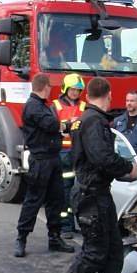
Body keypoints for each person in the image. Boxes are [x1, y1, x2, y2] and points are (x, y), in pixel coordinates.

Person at [49, 77, 137, 273]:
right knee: (94, 254)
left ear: (87, 94)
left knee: (112, 252)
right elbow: (103, 158)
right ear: (108, 95)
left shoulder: (86, 120)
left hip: (97, 194)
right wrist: (129, 168)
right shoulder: (94, 122)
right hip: (91, 196)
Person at [14, 73, 74, 258]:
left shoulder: (43, 105)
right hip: (40, 161)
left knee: (56, 199)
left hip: (52, 158)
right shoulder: (33, 106)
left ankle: (54, 238)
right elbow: (50, 124)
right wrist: (67, 125)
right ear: (45, 87)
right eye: (50, 87)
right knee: (33, 200)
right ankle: (21, 238)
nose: (51, 90)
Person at [51, 74, 86, 239]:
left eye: (78, 90)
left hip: (79, 153)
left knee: (78, 190)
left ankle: (74, 224)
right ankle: (65, 227)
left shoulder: (85, 106)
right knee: (64, 191)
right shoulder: (56, 106)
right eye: (72, 89)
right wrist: (68, 124)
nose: (75, 93)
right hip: (63, 154)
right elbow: (52, 127)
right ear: (65, 88)